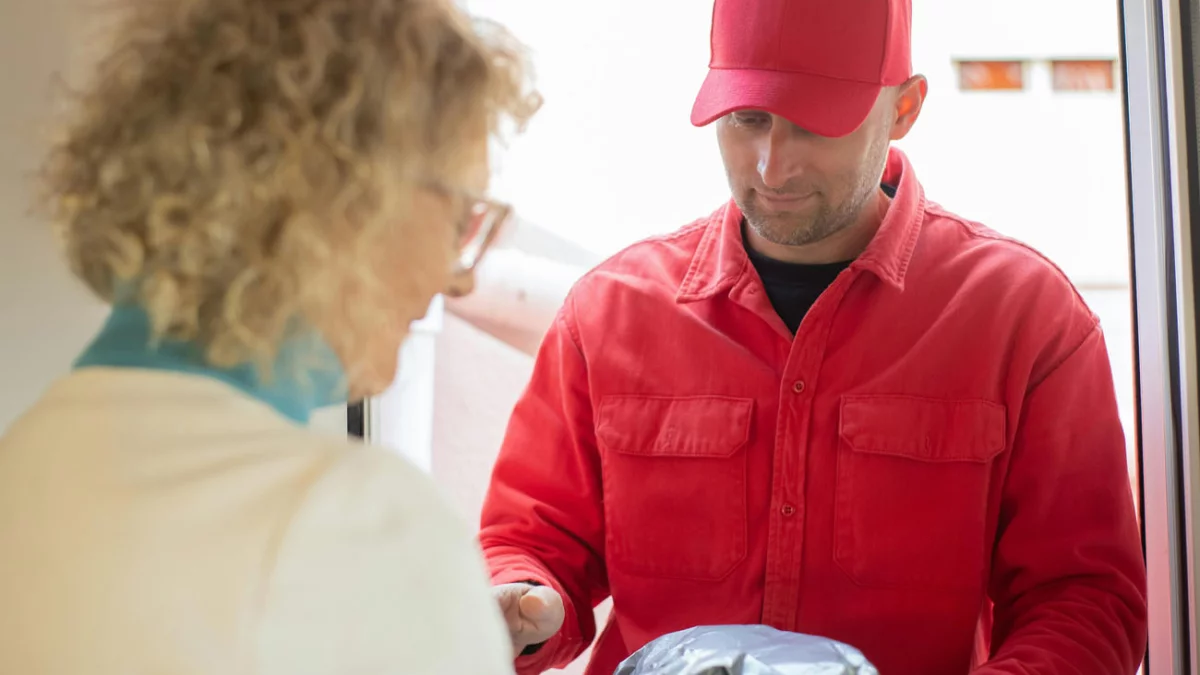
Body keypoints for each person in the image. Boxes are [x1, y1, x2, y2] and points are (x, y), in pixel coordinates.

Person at [479, 0, 1147, 673]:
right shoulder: (608, 313)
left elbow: (1084, 598)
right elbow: (530, 538)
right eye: (749, 120)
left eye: (815, 126)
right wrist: (520, 601)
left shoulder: (1026, 317)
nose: (772, 167)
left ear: (904, 110)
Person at [0, 0, 538, 673]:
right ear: (349, 193)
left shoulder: (22, 464)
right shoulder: (357, 524)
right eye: (460, 214)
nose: (456, 280)